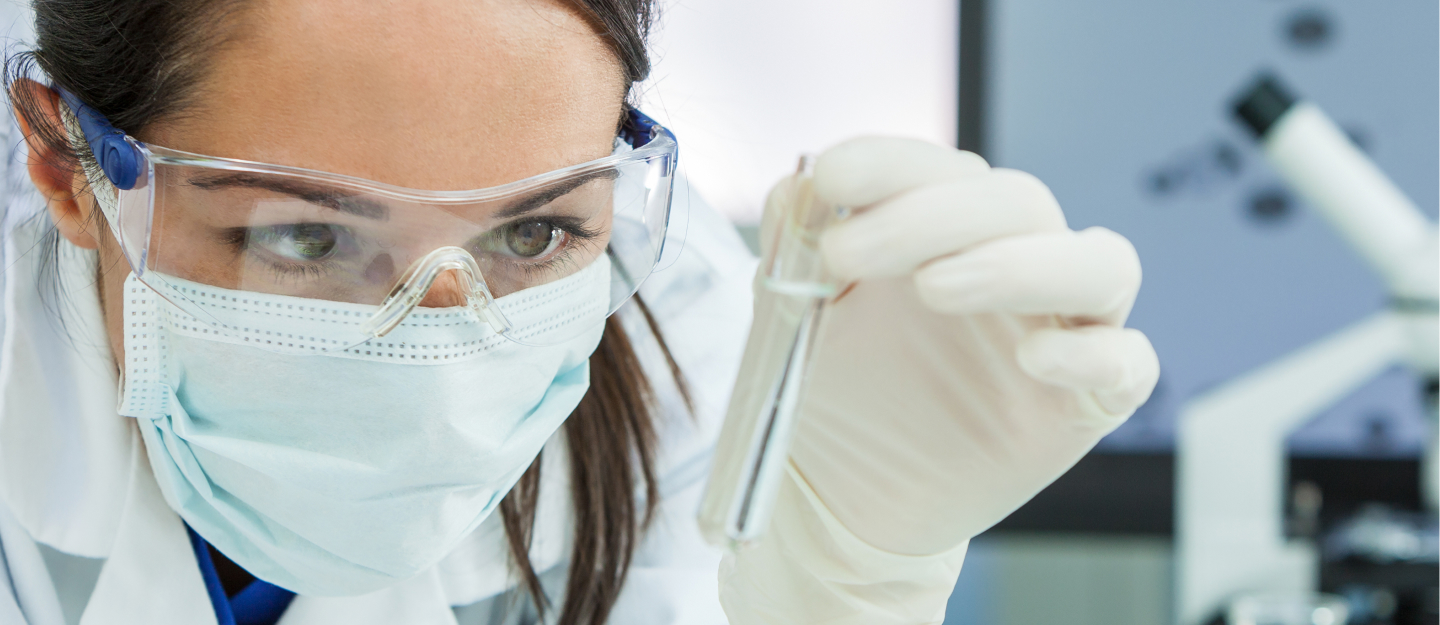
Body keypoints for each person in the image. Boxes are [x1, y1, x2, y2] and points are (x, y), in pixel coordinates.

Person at [0, 0, 1160, 623]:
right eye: (309, 237)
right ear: (68, 169)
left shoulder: (680, 345)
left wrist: (851, 586)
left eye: (532, 232)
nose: (440, 363)